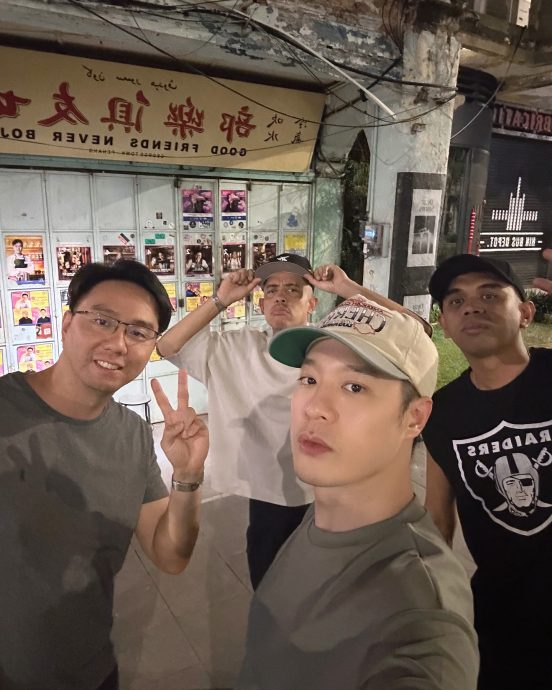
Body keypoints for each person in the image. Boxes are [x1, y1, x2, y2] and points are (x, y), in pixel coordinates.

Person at [237, 294, 478, 689]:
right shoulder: (322, 515)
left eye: (354, 386)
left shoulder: (420, 611)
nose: (315, 407)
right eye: (309, 380)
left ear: (414, 417)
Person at [156, 255, 431, 589]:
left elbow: (417, 331)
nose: (280, 297)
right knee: (270, 583)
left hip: (334, 488)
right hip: (271, 493)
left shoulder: (333, 348)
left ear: (312, 304)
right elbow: (167, 345)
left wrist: (347, 288)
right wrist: (221, 299)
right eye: (271, 290)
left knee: (335, 585)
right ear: (261, 303)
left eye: (292, 290)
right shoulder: (238, 348)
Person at [0, 260, 208, 690]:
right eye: (102, 320)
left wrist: (187, 476)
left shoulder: (133, 435)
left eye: (138, 332)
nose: (118, 343)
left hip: (90, 670)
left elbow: (171, 555)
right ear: (67, 324)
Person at [424, 250, 552, 690]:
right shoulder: (442, 413)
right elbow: (438, 518)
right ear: (445, 323)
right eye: (456, 301)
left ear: (526, 313)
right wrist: (430, 603)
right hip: (502, 615)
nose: (472, 307)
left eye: (490, 295)